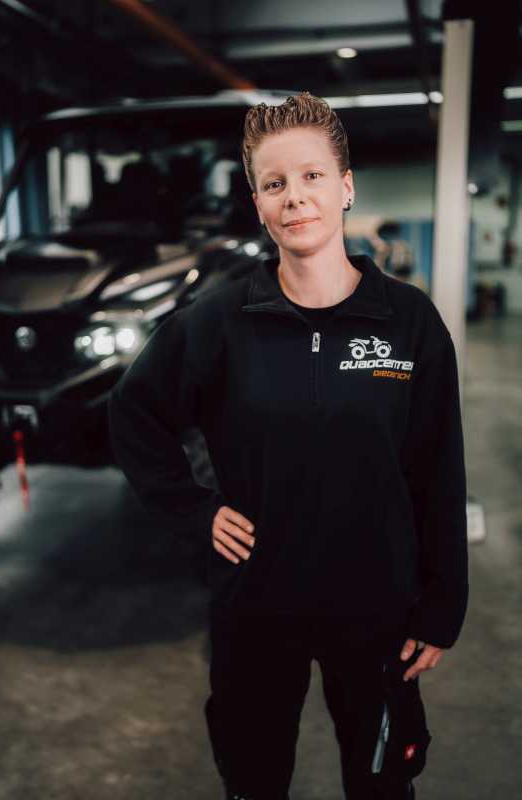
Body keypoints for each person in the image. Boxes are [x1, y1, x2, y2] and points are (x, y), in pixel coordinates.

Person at [107, 92, 469, 800]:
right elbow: (134, 412)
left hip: (377, 603)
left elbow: (437, 468)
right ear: (258, 204)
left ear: (345, 187)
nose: (295, 197)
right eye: (274, 183)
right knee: (253, 778)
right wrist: (194, 508)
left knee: (382, 782)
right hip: (257, 602)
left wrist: (441, 603)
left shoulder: (407, 321)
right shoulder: (217, 322)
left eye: (311, 176)